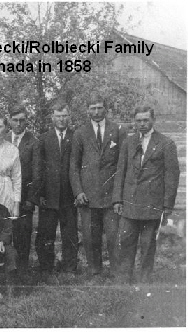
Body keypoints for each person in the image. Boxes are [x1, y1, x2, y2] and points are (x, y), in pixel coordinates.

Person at [112, 106, 179, 284]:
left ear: (153, 120)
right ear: (135, 121)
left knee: (148, 244)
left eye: (145, 120)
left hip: (152, 204)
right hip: (129, 202)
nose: (142, 124)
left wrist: (167, 206)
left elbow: (172, 176)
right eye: (138, 120)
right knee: (126, 241)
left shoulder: (166, 143)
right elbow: (121, 171)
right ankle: (124, 277)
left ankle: (144, 279)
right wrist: (117, 199)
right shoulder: (129, 142)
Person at [69, 94, 127, 281]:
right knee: (90, 236)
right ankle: (95, 271)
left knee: (113, 236)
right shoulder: (80, 133)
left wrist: (118, 196)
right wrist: (78, 191)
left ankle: (117, 271)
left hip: (111, 196)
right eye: (92, 108)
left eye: (99, 107)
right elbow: (74, 166)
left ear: (105, 109)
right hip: (88, 195)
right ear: (87, 110)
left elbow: (122, 165)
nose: (96, 111)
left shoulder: (118, 130)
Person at [37, 102, 78, 282]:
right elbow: (38, 168)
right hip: (49, 195)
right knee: (46, 233)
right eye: (58, 116)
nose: (61, 119)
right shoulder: (44, 139)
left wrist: (78, 192)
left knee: (70, 233)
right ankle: (46, 266)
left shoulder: (76, 137)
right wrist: (40, 194)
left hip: (69, 195)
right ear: (52, 118)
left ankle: (69, 266)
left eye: (64, 115)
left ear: (69, 117)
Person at [5, 106, 41, 280]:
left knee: (23, 235)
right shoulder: (3, 139)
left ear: (26, 121)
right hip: (4, 195)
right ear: (9, 120)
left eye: (22, 120)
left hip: (25, 198)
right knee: (5, 232)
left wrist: (31, 199)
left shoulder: (33, 142)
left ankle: (22, 271)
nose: (18, 124)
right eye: (15, 120)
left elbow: (37, 173)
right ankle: (5, 269)